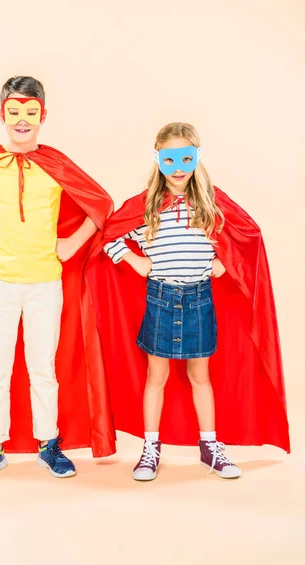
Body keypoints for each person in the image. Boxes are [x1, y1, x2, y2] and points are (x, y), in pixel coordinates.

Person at [0, 75, 116, 482]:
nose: (22, 120)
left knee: (42, 367)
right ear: (2, 114)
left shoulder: (55, 165)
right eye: (14, 112)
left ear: (43, 115)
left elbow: (101, 204)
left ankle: (49, 443)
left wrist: (72, 243)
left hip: (45, 283)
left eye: (31, 112)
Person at [85, 122, 289, 481]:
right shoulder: (147, 205)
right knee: (156, 375)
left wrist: (226, 263)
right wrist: (134, 260)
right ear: (158, 159)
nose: (178, 168)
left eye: (185, 158)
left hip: (199, 299)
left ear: (197, 157)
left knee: (200, 375)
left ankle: (210, 447)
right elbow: (109, 236)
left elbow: (247, 238)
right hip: (160, 298)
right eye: (169, 159)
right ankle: (151, 449)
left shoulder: (209, 203)